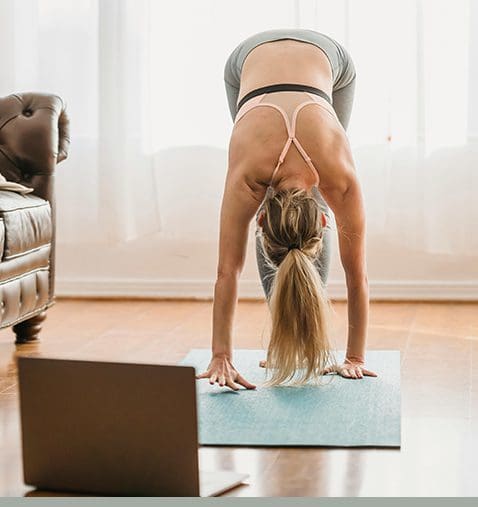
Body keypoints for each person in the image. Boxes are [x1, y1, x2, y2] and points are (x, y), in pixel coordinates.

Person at [196, 28, 377, 390]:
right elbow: (358, 276)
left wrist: (221, 355)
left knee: (305, 197)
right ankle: (287, 341)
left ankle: (308, 339)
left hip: (330, 62)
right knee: (290, 200)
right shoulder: (255, 177)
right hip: (245, 62)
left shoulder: (332, 177)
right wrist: (355, 359)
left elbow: (225, 273)